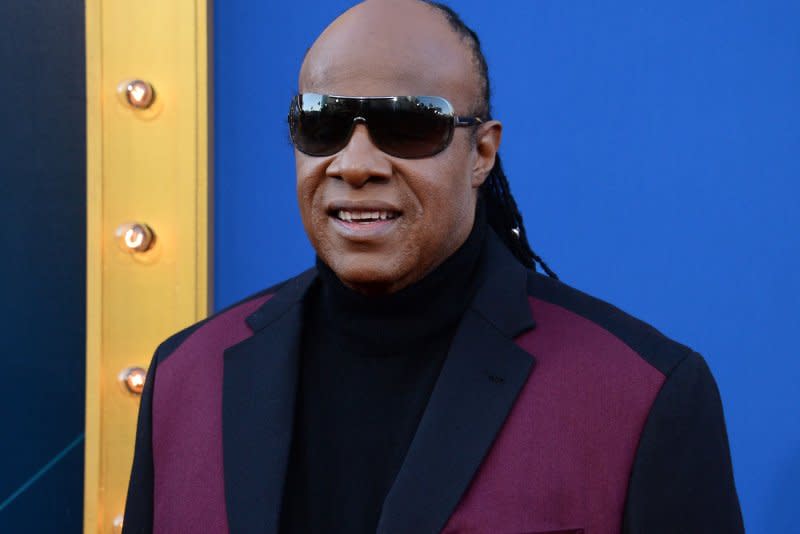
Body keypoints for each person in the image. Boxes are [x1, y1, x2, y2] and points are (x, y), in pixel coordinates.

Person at [122, 1, 744, 532]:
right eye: (324, 124)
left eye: (408, 125)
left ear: (483, 153)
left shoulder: (641, 395)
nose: (354, 162)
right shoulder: (186, 379)